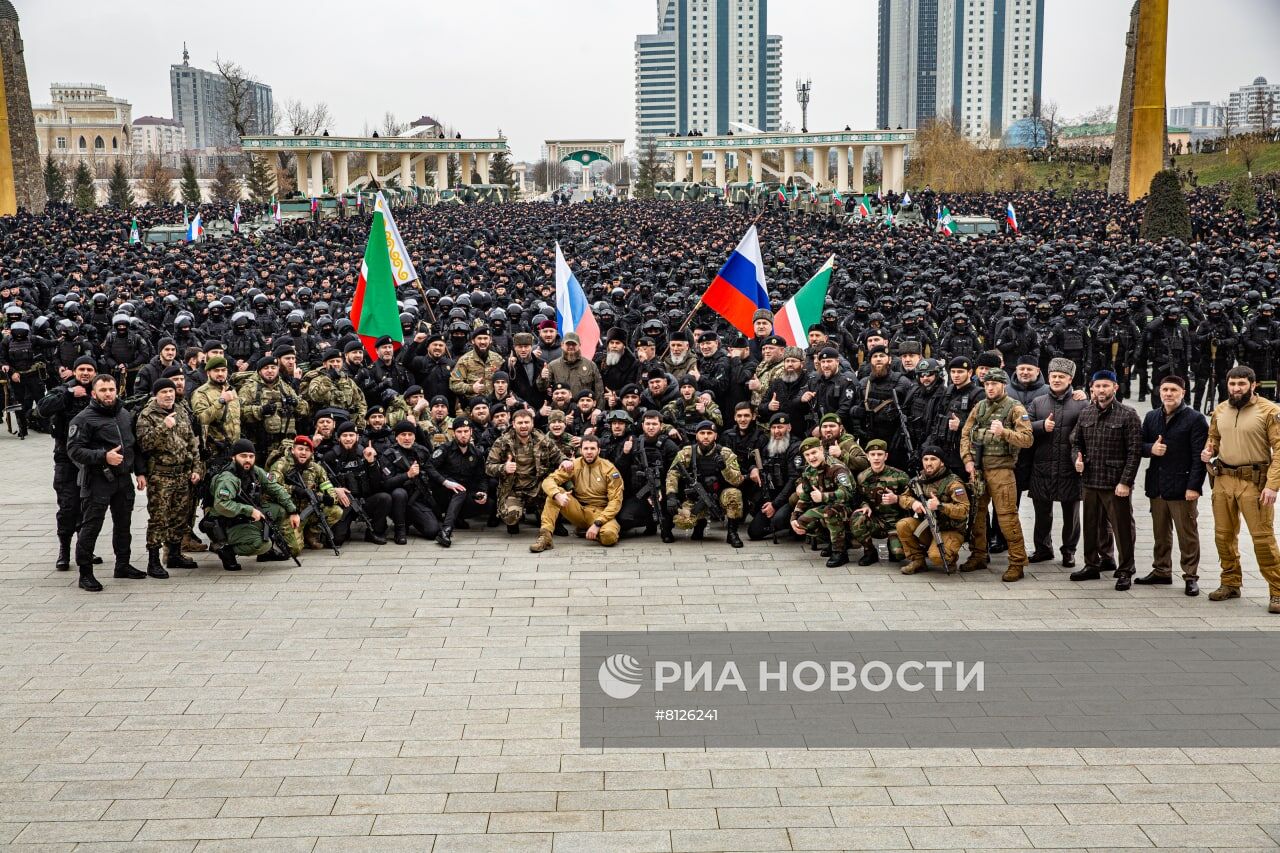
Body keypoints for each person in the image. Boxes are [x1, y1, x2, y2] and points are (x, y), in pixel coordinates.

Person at [1201, 366, 1280, 610]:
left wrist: (1272, 486)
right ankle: (1230, 582)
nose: (1236, 389)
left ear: (1253, 385)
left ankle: (1277, 591)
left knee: (1263, 539)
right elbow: (1213, 437)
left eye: (1242, 384)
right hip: (1224, 479)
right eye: (1233, 384)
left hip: (1255, 483)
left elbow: (1279, 450)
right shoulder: (1221, 409)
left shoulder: (1269, 411)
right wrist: (1209, 450)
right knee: (1223, 536)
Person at [66, 373, 146, 591]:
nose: (108, 393)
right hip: (98, 479)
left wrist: (140, 472)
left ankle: (123, 565)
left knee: (124, 525)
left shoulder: (124, 414)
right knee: (91, 527)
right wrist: (103, 456)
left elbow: (134, 446)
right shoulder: (83, 419)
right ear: (94, 393)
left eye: (111, 389)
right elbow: (73, 450)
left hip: (123, 479)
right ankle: (85, 573)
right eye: (103, 390)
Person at [1069, 370, 1143, 590]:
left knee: (1122, 528)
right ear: (1092, 388)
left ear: (1115, 388)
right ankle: (1091, 564)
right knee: (1091, 526)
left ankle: (1126, 570)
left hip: (1115, 483)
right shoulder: (1086, 413)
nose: (1101, 390)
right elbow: (1075, 442)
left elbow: (1134, 452)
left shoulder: (1128, 414)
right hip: (1090, 480)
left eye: (1105, 386)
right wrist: (1077, 459)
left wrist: (1126, 482)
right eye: (1097, 386)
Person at [959, 368, 1034, 580]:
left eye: (994, 384)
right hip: (979, 471)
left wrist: (1004, 433)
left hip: (1002, 471)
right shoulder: (980, 407)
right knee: (977, 515)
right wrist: (968, 461)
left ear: (1003, 385)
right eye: (987, 384)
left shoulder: (1015, 408)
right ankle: (979, 554)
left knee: (1007, 518)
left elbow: (1027, 439)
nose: (990, 388)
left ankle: (1017, 562)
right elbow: (966, 435)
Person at [1138, 375, 1207, 595]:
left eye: (1173, 390)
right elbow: (1138, 445)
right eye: (1165, 389)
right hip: (1157, 485)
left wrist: (1194, 487)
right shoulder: (1151, 417)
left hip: (1182, 486)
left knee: (1187, 534)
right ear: (1159, 391)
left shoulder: (1195, 419)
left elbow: (1199, 456)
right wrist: (1151, 449)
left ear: (1183, 393)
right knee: (1161, 533)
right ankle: (1161, 570)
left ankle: (1190, 575)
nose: (1168, 393)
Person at [134, 378, 203, 577]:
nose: (169, 395)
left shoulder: (181, 411)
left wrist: (196, 467)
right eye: (164, 391)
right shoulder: (147, 415)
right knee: (159, 519)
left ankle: (174, 554)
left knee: (180, 517)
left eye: (171, 391)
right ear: (156, 394)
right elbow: (144, 444)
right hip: (160, 476)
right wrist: (164, 426)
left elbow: (192, 443)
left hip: (182, 474)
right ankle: (153, 560)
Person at [37, 356, 100, 572]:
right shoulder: (63, 389)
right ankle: (64, 549)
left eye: (89, 369)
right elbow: (43, 408)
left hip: (91, 459)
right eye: (81, 369)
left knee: (89, 507)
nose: (85, 373)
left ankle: (84, 549)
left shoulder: (99, 390)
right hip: (66, 458)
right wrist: (69, 393)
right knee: (68, 506)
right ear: (74, 371)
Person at [1025, 358, 1087, 568]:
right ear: (1048, 377)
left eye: (1062, 377)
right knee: (1042, 512)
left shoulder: (1081, 403)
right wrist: (1042, 425)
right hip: (1042, 466)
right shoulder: (1038, 402)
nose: (1057, 380)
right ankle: (1043, 548)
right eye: (1054, 376)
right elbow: (1024, 426)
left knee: (1071, 514)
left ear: (1070, 379)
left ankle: (1069, 551)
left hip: (1069, 467)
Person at [207, 439, 300, 570]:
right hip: (226, 520)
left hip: (244, 514)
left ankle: (266, 553)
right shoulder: (228, 478)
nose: (248, 460)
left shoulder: (255, 471)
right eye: (243, 456)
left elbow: (276, 488)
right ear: (234, 457)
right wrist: (249, 510)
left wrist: (293, 511)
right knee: (262, 544)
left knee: (279, 510)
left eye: (251, 456)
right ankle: (226, 550)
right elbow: (222, 505)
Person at [530, 434, 623, 552]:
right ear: (581, 450)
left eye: (593, 448)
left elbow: (616, 501)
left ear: (599, 450)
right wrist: (557, 495)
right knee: (554, 494)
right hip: (578, 509)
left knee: (609, 537)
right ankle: (545, 537)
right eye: (586, 448)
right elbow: (549, 481)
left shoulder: (609, 469)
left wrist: (598, 524)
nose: (589, 452)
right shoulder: (574, 465)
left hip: (600, 512)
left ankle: (590, 530)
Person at [485, 408, 567, 534]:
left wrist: (565, 461)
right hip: (513, 489)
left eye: (526, 422)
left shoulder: (541, 440)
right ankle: (514, 520)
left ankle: (554, 521)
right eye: (520, 423)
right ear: (513, 424)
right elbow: (489, 467)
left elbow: (558, 455)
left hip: (537, 487)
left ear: (532, 423)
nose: (523, 426)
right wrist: (503, 468)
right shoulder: (502, 442)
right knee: (511, 516)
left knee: (557, 494)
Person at [664, 421, 746, 548]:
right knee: (682, 521)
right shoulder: (687, 452)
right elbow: (672, 474)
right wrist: (671, 496)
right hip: (697, 498)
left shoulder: (725, 453)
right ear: (696, 436)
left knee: (734, 494)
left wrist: (725, 468)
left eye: (709, 433)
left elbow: (738, 480)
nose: (706, 436)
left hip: (719, 496)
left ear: (716, 436)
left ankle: (732, 533)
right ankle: (699, 525)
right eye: (702, 433)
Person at [896, 445, 970, 575]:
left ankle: (950, 558)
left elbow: (964, 510)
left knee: (937, 557)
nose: (928, 463)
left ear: (942, 463)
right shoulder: (919, 481)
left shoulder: (954, 483)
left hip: (950, 529)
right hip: (928, 526)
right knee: (903, 525)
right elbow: (903, 497)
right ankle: (917, 561)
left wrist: (940, 506)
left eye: (933, 459)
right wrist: (913, 503)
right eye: (925, 459)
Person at [269, 435, 346, 554]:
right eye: (300, 449)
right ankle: (282, 536)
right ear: (293, 450)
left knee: (336, 511)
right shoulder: (281, 465)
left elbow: (328, 486)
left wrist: (330, 498)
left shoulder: (316, 468)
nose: (303, 453)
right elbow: (271, 487)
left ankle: (311, 535)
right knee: (294, 551)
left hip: (309, 510)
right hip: (290, 513)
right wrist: (293, 489)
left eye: (307, 450)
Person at [789, 436, 856, 567]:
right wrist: (794, 517)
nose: (811, 457)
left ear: (821, 449)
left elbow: (848, 493)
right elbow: (805, 497)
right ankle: (834, 541)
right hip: (826, 507)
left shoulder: (836, 468)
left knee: (829, 512)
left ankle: (840, 552)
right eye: (807, 455)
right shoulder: (808, 471)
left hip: (848, 508)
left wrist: (823, 497)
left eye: (814, 453)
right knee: (803, 522)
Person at [427, 417, 492, 547]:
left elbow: (481, 477)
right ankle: (446, 531)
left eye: (466, 431)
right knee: (460, 491)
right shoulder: (445, 449)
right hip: (443, 491)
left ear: (471, 432)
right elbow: (429, 466)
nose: (463, 435)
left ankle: (457, 517)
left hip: (462, 492)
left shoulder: (477, 453)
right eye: (459, 431)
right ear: (454, 433)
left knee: (489, 504)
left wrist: (483, 491)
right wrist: (445, 482)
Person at [848, 439, 909, 566]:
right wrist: (864, 506)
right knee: (857, 518)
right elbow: (858, 497)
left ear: (886, 456)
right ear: (867, 456)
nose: (876, 458)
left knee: (898, 555)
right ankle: (870, 552)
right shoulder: (862, 477)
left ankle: (893, 544)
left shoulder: (900, 476)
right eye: (873, 454)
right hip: (876, 521)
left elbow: (911, 499)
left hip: (896, 523)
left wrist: (896, 498)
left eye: (879, 454)